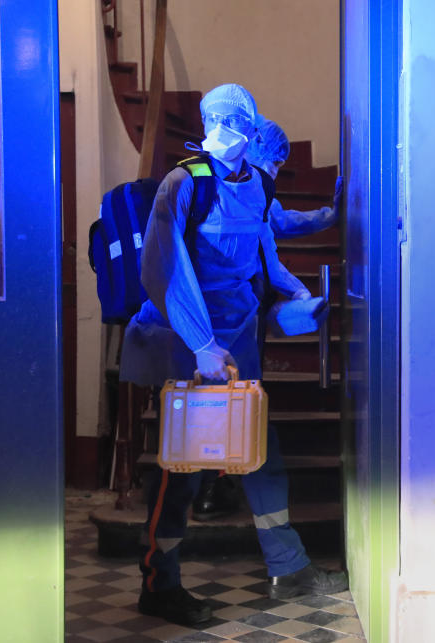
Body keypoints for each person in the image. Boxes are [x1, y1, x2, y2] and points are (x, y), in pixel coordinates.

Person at [119, 83, 348, 627]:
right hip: (190, 349)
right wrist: (201, 346)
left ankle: (288, 567)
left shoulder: (258, 193)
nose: (220, 129)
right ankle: (160, 582)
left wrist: (300, 308)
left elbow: (264, 271)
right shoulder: (185, 183)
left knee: (261, 456)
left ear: (250, 127)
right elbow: (162, 269)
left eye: (230, 120)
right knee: (183, 469)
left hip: (239, 347)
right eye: (212, 119)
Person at [190, 115, 342, 521]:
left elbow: (274, 232)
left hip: (208, 319)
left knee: (215, 400)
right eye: (275, 162)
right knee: (235, 402)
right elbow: (274, 249)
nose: (274, 172)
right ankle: (218, 483)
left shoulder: (228, 186)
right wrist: (301, 291)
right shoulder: (251, 190)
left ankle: (210, 485)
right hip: (237, 319)